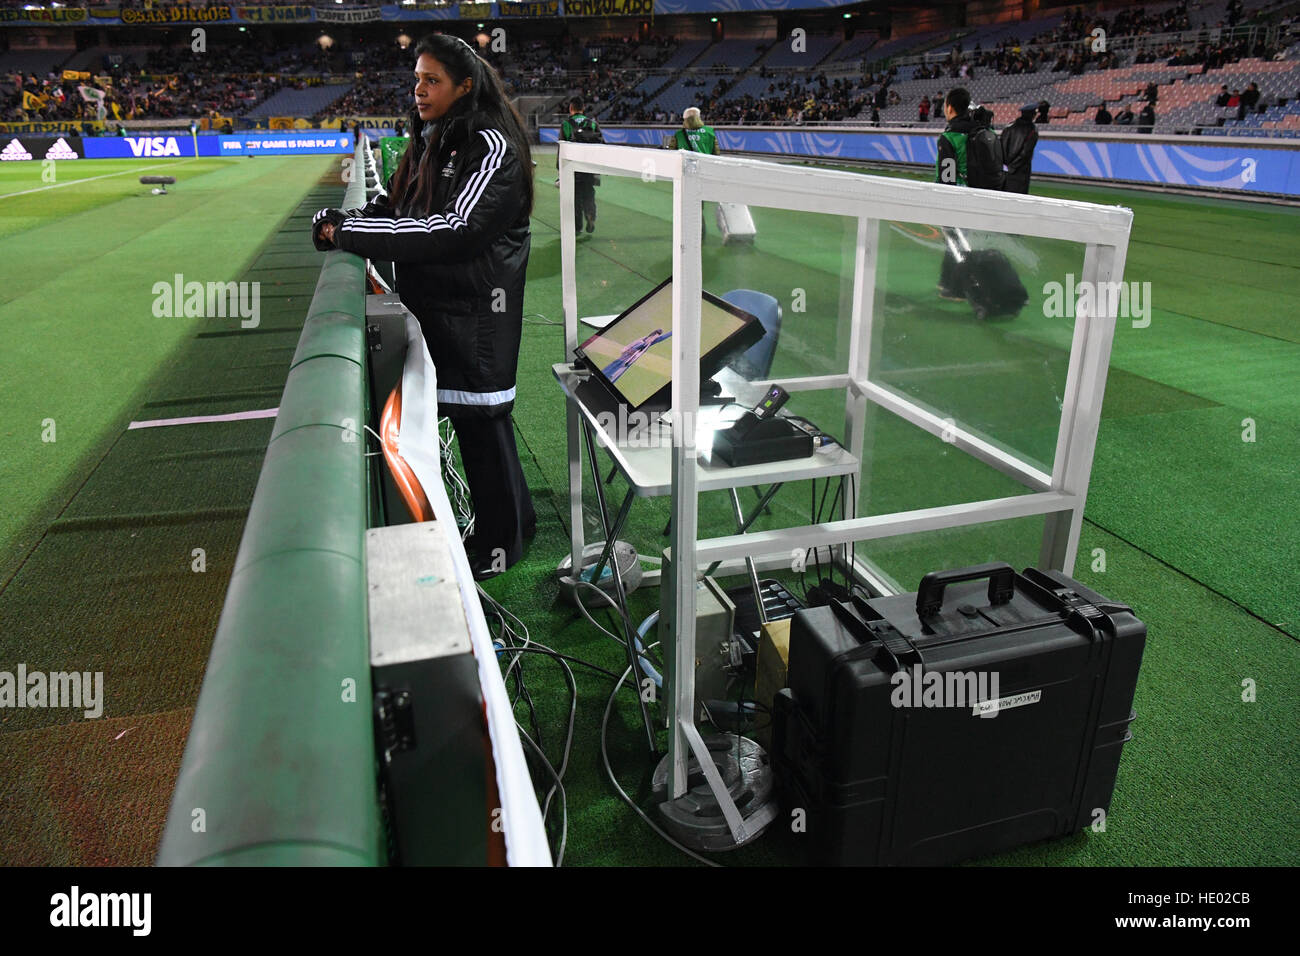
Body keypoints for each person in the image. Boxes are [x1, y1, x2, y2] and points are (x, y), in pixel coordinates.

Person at [311, 33, 536, 580]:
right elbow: (397, 201)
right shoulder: (433, 136)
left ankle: (502, 544)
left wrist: (353, 234)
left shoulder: (491, 143)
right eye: (416, 78)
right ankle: (510, 528)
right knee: (473, 423)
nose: (419, 89)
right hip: (441, 305)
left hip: (479, 311)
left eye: (431, 80)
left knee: (483, 424)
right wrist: (354, 220)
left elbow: (456, 230)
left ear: (464, 85)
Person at [934, 87, 973, 298]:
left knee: (955, 242)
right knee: (958, 240)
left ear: (949, 107)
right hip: (976, 193)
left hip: (956, 195)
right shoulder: (979, 131)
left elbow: (947, 174)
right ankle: (947, 280)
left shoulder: (950, 137)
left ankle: (957, 287)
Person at [559, 97, 601, 234]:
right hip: (588, 167)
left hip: (573, 168)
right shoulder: (593, 124)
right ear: (583, 109)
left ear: (571, 108)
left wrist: (560, 171)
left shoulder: (566, 124)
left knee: (575, 197)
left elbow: (562, 149)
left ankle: (577, 227)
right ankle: (590, 216)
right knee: (589, 194)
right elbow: (601, 146)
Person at [1001, 103, 1038, 193]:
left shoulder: (1009, 127)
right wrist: (1013, 167)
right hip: (1020, 173)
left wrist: (1005, 166)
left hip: (1004, 171)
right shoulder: (1032, 130)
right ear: (1032, 115)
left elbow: (1001, 146)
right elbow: (1025, 153)